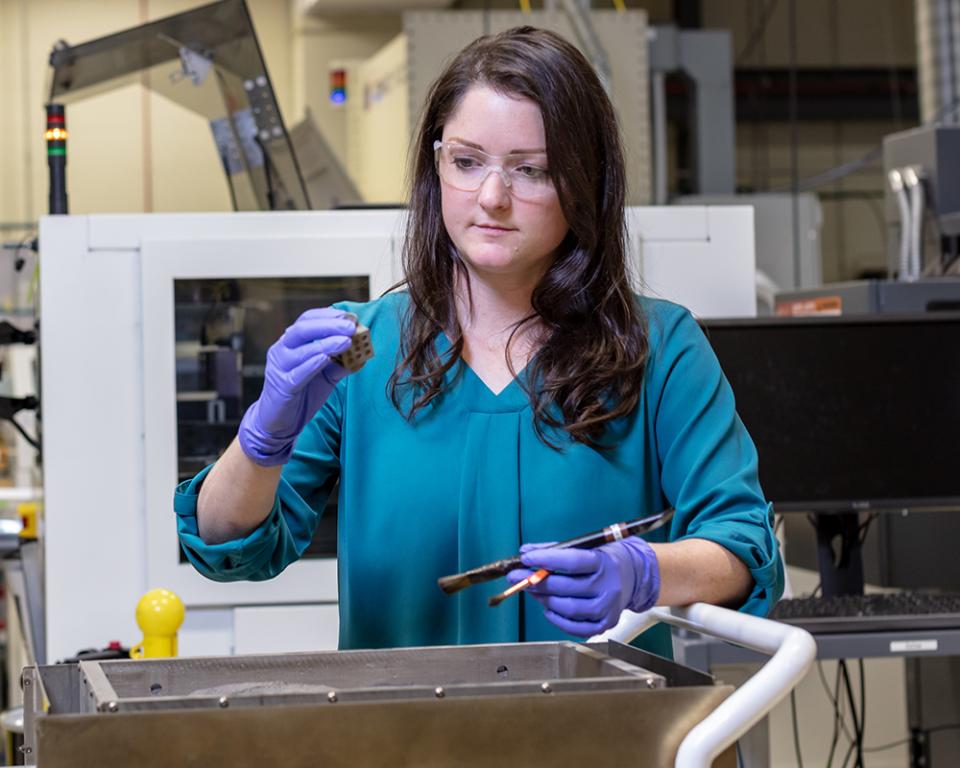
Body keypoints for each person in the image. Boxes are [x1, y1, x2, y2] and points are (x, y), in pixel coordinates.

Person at [175, 26, 783, 656]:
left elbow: (742, 546)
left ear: (585, 182)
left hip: (604, 732)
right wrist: (262, 439)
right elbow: (229, 547)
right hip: (405, 741)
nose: (492, 198)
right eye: (466, 162)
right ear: (436, 165)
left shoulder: (660, 349)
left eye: (532, 170)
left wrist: (646, 572)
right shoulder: (361, 350)